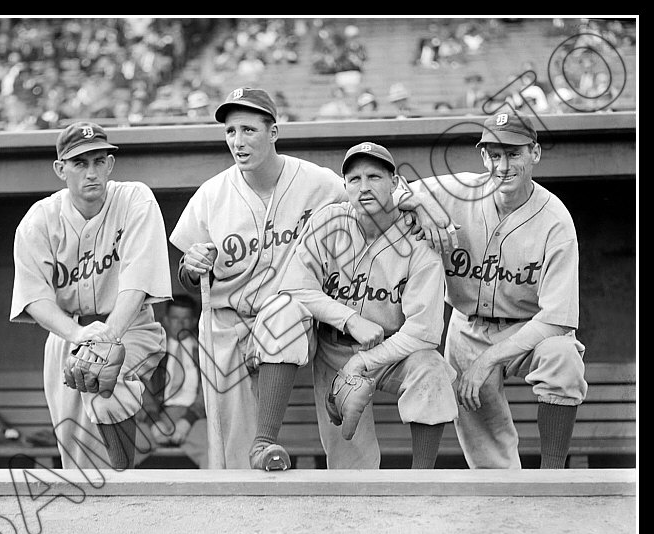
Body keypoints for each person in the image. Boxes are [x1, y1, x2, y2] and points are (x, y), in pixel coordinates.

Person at [248, 142, 458, 470]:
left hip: (392, 353)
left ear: (395, 184)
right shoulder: (328, 220)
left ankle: (422, 478)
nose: (364, 186)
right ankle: (264, 442)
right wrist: (348, 319)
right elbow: (294, 285)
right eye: (355, 178)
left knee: (430, 368)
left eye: (374, 176)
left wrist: (363, 362)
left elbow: (425, 332)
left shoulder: (419, 239)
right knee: (351, 471)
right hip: (333, 349)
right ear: (344, 186)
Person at [169, 87, 349, 469]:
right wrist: (191, 264)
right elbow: (188, 275)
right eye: (231, 131)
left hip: (291, 318)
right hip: (227, 322)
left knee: (286, 309)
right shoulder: (211, 195)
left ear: (273, 133)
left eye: (249, 130)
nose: (238, 141)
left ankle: (265, 441)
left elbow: (370, 201)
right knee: (230, 450)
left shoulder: (320, 183)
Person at [401, 111, 587, 469]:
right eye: (495, 154)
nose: (503, 165)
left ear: (535, 153)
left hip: (528, 328)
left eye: (513, 153)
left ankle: (552, 478)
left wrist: (489, 360)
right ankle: (502, 504)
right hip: (467, 327)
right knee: (486, 448)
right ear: (483, 156)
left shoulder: (556, 221)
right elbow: (392, 190)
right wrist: (420, 209)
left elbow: (558, 320)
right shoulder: (457, 190)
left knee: (563, 357)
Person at [10, 121, 172, 469]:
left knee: (106, 390)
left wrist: (107, 336)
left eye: (100, 161)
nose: (92, 172)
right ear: (60, 169)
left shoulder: (134, 199)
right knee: (74, 453)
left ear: (110, 165)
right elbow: (35, 298)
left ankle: (124, 482)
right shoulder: (39, 220)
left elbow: (137, 284)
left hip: (131, 327)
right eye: (80, 163)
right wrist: (79, 335)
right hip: (67, 334)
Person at [135, 294, 208, 468]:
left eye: (186, 319)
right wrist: (154, 422)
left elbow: (208, 391)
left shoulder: (204, 350)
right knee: (123, 442)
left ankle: (211, 494)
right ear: (166, 320)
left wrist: (188, 420)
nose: (180, 324)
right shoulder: (154, 350)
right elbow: (141, 388)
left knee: (213, 447)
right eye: (175, 318)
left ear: (193, 321)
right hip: (158, 416)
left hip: (194, 419)